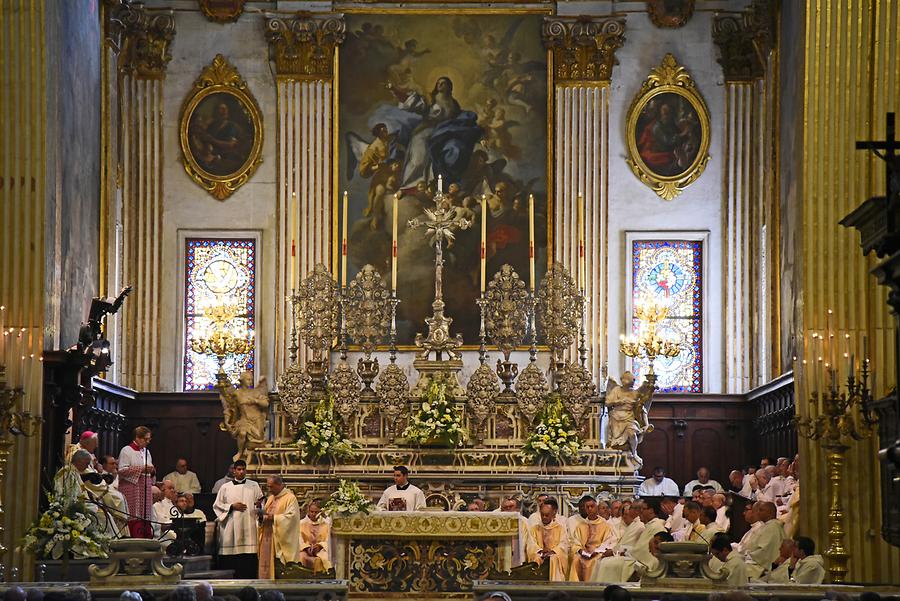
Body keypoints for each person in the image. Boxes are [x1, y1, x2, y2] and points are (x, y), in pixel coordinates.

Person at [213, 459, 263, 579]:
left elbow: (261, 502)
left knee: (248, 557)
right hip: (231, 525)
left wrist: (259, 506)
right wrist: (231, 506)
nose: (241, 472)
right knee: (231, 557)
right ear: (234, 471)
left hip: (249, 524)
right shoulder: (225, 487)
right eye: (238, 469)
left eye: (243, 469)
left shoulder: (254, 485)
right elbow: (217, 505)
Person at [595, 500, 667, 582]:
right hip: (635, 557)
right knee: (604, 561)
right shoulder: (649, 525)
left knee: (607, 564)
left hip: (645, 563)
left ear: (651, 511)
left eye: (643, 509)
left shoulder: (656, 527)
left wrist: (622, 552)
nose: (640, 512)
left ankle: (609, 590)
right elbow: (639, 548)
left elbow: (644, 551)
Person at [258, 475, 301, 579]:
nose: (269, 489)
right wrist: (261, 516)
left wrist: (274, 518)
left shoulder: (290, 498)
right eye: (268, 487)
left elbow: (292, 518)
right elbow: (266, 515)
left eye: (271, 487)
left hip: (279, 538)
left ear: (279, 485)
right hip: (268, 536)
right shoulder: (271, 498)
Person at [117, 425, 155, 538]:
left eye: (149, 439)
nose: (148, 442)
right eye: (146, 439)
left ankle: (146, 536)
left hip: (145, 486)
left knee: (145, 514)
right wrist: (141, 469)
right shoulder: (126, 450)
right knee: (134, 514)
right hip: (131, 487)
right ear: (138, 438)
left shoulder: (146, 452)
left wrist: (151, 470)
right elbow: (122, 470)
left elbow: (149, 467)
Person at [568, 495, 613, 582]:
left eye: (592, 506)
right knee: (576, 559)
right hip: (584, 553)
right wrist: (581, 551)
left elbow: (608, 541)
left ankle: (593, 587)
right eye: (587, 507)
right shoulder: (581, 525)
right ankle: (576, 587)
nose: (590, 509)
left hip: (598, 553)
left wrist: (596, 551)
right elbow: (575, 542)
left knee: (593, 562)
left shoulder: (605, 524)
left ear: (596, 508)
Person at [526, 498, 569, 581]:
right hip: (540, 554)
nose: (544, 517)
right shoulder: (535, 528)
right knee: (536, 558)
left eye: (547, 515)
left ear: (553, 514)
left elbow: (563, 545)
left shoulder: (560, 528)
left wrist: (552, 551)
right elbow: (531, 545)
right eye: (542, 515)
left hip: (554, 555)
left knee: (553, 559)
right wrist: (540, 551)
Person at [744, 501, 784, 579]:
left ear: (770, 513)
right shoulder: (766, 526)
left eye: (761, 510)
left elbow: (764, 551)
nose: (758, 512)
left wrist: (749, 556)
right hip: (755, 561)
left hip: (761, 566)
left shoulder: (772, 527)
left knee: (738, 570)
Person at [298, 499, 332, 573]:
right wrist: (306, 548)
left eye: (316, 512)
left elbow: (328, 540)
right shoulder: (301, 523)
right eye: (311, 512)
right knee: (300, 558)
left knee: (325, 559)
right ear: (308, 511)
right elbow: (299, 539)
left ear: (320, 512)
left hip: (321, 550)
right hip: (306, 550)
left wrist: (320, 546)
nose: (313, 514)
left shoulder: (326, 524)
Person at [499, 497, 531, 566]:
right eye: (505, 507)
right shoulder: (498, 522)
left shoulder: (525, 522)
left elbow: (529, 542)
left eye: (510, 507)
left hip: (519, 555)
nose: (508, 509)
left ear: (518, 509)